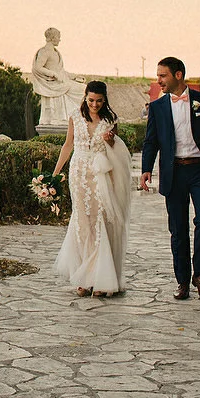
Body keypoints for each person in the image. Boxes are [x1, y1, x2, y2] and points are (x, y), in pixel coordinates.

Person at [139, 57, 200, 301]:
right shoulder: (157, 107)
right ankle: (182, 281)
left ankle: (199, 274)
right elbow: (151, 140)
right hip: (174, 172)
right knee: (177, 230)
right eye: (158, 76)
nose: (159, 81)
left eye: (163, 76)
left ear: (178, 75)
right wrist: (145, 168)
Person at [51, 80, 134, 297]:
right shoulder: (74, 117)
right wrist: (56, 172)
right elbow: (68, 145)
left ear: (104, 100)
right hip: (78, 173)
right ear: (85, 97)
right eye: (90, 100)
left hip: (100, 174)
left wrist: (111, 141)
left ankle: (101, 278)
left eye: (98, 101)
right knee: (83, 221)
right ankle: (85, 277)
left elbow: (118, 150)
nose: (94, 105)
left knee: (100, 221)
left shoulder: (110, 120)